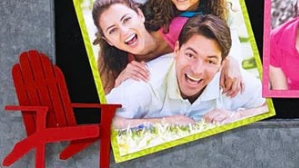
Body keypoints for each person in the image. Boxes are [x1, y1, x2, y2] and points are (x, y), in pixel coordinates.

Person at [112, 15, 268, 128]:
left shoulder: (232, 81)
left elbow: (273, 107)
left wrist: (237, 115)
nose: (197, 70)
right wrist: (164, 122)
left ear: (222, 63)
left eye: (210, 61)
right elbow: (105, 120)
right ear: (177, 49)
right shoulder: (147, 80)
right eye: (190, 55)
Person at [92, 0, 246, 96]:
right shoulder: (118, 64)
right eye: (112, 30)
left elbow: (220, 30)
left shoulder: (179, 28)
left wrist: (230, 59)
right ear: (108, 40)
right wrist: (120, 84)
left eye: (126, 19)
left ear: (140, 15)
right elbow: (108, 114)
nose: (124, 32)